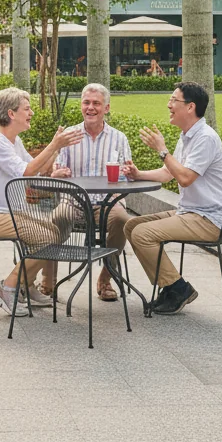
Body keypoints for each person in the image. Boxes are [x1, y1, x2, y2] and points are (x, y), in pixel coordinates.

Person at [0, 87, 82, 316]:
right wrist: (54, 145)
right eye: (27, 109)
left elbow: (34, 171)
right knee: (47, 238)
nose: (32, 113)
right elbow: (24, 171)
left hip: (3, 213)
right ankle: (8, 286)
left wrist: (57, 153)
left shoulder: (13, 141)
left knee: (55, 231)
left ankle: (25, 286)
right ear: (11, 113)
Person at [121, 82, 222, 314]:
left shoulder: (205, 138)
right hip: (191, 212)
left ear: (190, 107)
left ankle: (178, 288)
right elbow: (169, 173)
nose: (168, 105)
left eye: (174, 100)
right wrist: (138, 174)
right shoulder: (187, 136)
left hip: (210, 218)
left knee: (143, 234)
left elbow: (185, 178)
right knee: (132, 225)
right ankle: (170, 288)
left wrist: (162, 151)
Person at [57, 83, 132, 302]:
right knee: (56, 220)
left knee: (122, 221)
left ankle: (105, 278)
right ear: (81, 105)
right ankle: (47, 281)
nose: (91, 108)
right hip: (74, 202)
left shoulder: (119, 138)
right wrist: (59, 172)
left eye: (96, 103)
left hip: (108, 202)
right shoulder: (69, 135)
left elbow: (126, 175)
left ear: (106, 108)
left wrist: (126, 173)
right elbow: (57, 169)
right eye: (86, 103)